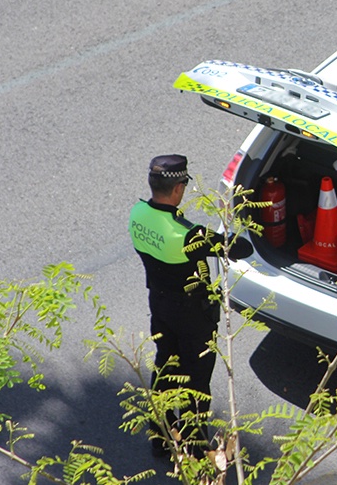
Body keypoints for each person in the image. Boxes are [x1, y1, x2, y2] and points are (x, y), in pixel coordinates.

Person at [128, 154, 253, 457]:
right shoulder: (187, 235)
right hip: (192, 316)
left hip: (159, 304)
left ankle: (160, 436)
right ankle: (195, 447)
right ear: (177, 189)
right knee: (196, 381)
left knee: (166, 366)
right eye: (184, 184)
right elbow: (240, 248)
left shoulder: (138, 214)